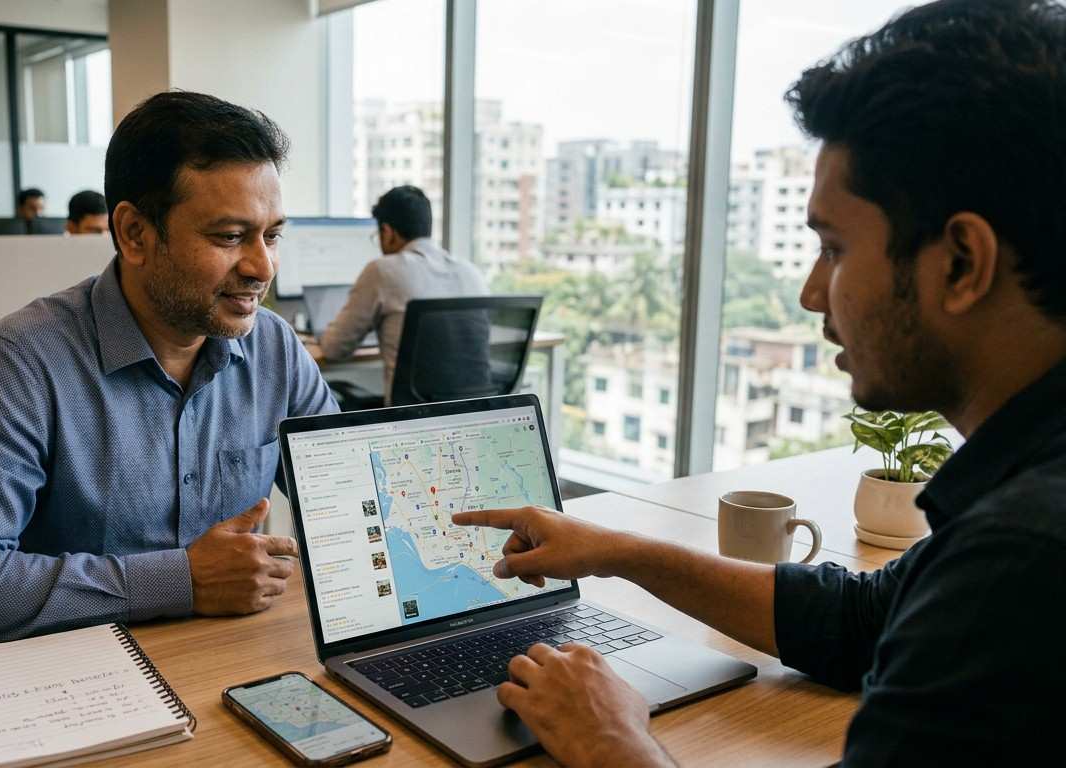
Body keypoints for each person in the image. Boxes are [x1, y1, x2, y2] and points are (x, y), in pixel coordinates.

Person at [452, 1, 1066, 765]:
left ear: (962, 263)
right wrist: (614, 550)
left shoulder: (1026, 559)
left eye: (834, 248)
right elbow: (858, 620)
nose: (813, 294)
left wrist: (614, 744)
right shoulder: (1015, 520)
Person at [0, 91, 337, 642]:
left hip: (227, 660)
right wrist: (180, 580)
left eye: (271, 235)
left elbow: (345, 498)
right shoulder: (22, 361)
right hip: (74, 686)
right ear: (134, 234)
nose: (262, 266)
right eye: (229, 237)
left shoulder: (274, 348)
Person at [318, 185, 487, 402]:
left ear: (387, 232)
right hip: (474, 414)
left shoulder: (382, 270)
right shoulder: (471, 272)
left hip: (411, 421)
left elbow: (334, 348)